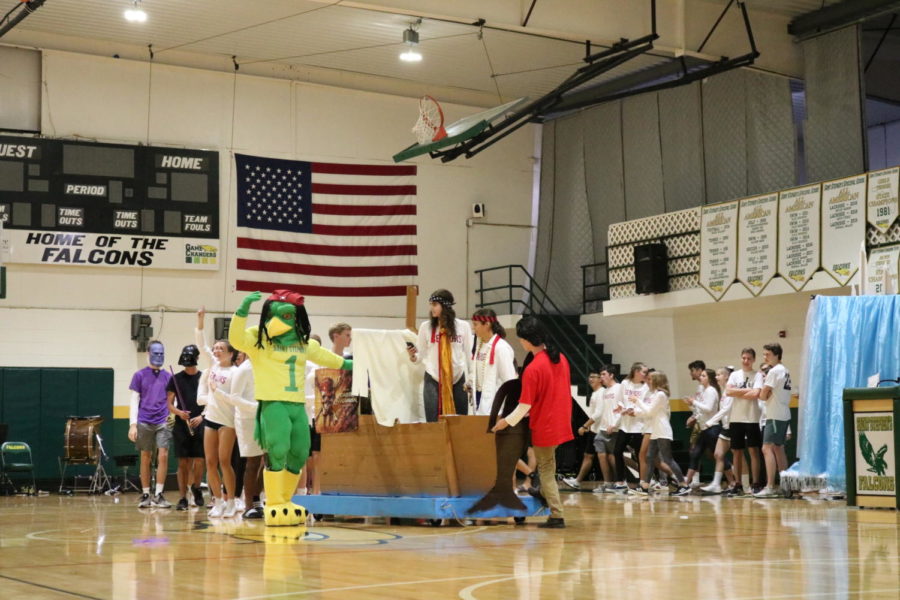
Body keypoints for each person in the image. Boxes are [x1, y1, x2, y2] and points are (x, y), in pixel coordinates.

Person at [229, 290, 350, 526]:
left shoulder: (303, 342)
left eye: (288, 316)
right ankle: (273, 502)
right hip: (273, 402)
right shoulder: (259, 338)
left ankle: (285, 499)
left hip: (297, 405)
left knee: (299, 451)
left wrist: (352, 363)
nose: (283, 321)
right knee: (278, 448)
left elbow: (328, 358)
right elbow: (235, 339)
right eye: (280, 315)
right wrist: (242, 311)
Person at [492, 317, 573, 529]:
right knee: (549, 466)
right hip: (561, 420)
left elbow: (524, 406)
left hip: (545, 425)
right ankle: (544, 492)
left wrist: (504, 423)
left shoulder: (534, 368)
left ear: (526, 341)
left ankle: (557, 514)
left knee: (546, 469)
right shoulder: (560, 359)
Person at [407, 289, 474, 421]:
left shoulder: (463, 326)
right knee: (432, 419)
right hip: (433, 376)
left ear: (445, 306)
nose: (432, 308)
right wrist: (413, 356)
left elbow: (469, 353)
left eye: (435, 304)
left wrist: (471, 376)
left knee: (460, 419)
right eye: (431, 304)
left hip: (457, 376)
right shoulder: (426, 327)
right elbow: (421, 354)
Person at [128, 340, 174, 509]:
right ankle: (146, 493)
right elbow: (134, 400)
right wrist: (133, 424)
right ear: (148, 354)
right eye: (155, 353)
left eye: (162, 353)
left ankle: (159, 494)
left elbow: (171, 399)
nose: (159, 356)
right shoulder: (139, 375)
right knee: (145, 457)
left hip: (162, 421)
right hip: (144, 421)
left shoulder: (168, 376)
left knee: (163, 455)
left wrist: (172, 415)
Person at [197, 337, 240, 518]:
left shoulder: (236, 372)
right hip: (211, 419)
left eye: (221, 348)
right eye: (215, 348)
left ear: (231, 353)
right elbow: (202, 344)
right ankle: (218, 501)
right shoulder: (213, 366)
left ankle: (231, 500)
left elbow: (235, 398)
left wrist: (217, 391)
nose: (216, 351)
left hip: (227, 421)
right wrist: (200, 323)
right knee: (210, 462)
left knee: (224, 461)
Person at [632, 371, 690, 496]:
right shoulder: (656, 394)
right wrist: (633, 412)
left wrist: (637, 401)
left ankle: (683, 484)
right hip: (656, 430)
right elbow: (648, 412)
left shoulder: (660, 395)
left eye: (651, 378)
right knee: (649, 458)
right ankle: (645, 486)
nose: (648, 380)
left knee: (668, 459)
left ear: (657, 380)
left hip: (662, 430)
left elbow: (649, 412)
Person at [166, 344, 205, 511]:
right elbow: (169, 404)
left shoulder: (204, 377)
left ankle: (196, 487)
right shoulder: (175, 379)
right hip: (182, 424)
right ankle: (182, 497)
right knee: (183, 463)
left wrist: (201, 416)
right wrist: (179, 413)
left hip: (201, 422)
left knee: (199, 460)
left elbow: (210, 401)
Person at [754, 343, 792, 498]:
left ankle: (770, 486)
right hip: (783, 413)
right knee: (778, 448)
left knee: (766, 448)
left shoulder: (774, 371)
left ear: (776, 354)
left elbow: (762, 395)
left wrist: (764, 393)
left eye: (767, 354)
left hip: (775, 414)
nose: (765, 357)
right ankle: (786, 485)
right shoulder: (785, 370)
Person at [724, 348, 763, 496]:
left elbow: (756, 394)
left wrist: (738, 392)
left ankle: (756, 483)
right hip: (736, 418)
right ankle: (737, 484)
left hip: (752, 418)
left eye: (749, 358)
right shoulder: (734, 375)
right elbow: (728, 392)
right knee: (737, 452)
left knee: (753, 451)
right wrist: (748, 391)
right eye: (743, 358)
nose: (746, 361)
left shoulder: (757, 375)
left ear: (753, 360)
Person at [564, 368, 607, 490]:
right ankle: (577, 481)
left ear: (600, 379)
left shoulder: (601, 393)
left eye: (594, 376)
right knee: (588, 455)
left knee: (608, 457)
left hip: (600, 431)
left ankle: (610, 483)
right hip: (595, 430)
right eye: (590, 376)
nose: (591, 379)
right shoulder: (595, 393)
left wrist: (585, 426)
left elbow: (598, 414)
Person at [470, 308, 517, 416]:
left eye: (476, 324)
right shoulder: (479, 344)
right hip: (479, 396)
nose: (473, 328)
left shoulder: (501, 348)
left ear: (487, 324)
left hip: (494, 400)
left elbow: (509, 380)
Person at [613, 362, 648, 491]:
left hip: (639, 425)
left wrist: (634, 410)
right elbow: (620, 399)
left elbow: (645, 403)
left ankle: (643, 481)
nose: (646, 374)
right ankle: (620, 481)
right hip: (625, 425)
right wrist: (622, 407)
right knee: (617, 451)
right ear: (636, 372)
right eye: (644, 372)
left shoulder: (645, 387)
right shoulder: (625, 383)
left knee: (640, 455)